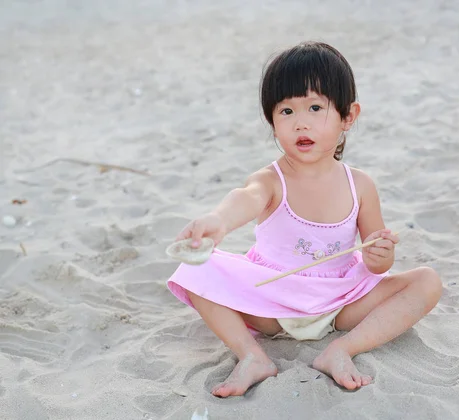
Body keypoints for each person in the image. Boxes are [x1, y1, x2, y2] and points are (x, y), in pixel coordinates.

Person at [166, 41, 443, 398]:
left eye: (315, 107)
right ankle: (252, 356)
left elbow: (377, 256)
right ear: (272, 120)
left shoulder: (360, 185)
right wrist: (218, 221)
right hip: (272, 303)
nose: (301, 123)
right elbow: (245, 198)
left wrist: (381, 257)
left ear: (348, 116)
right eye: (286, 112)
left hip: (340, 302)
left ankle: (342, 349)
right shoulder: (270, 180)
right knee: (196, 270)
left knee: (426, 282)